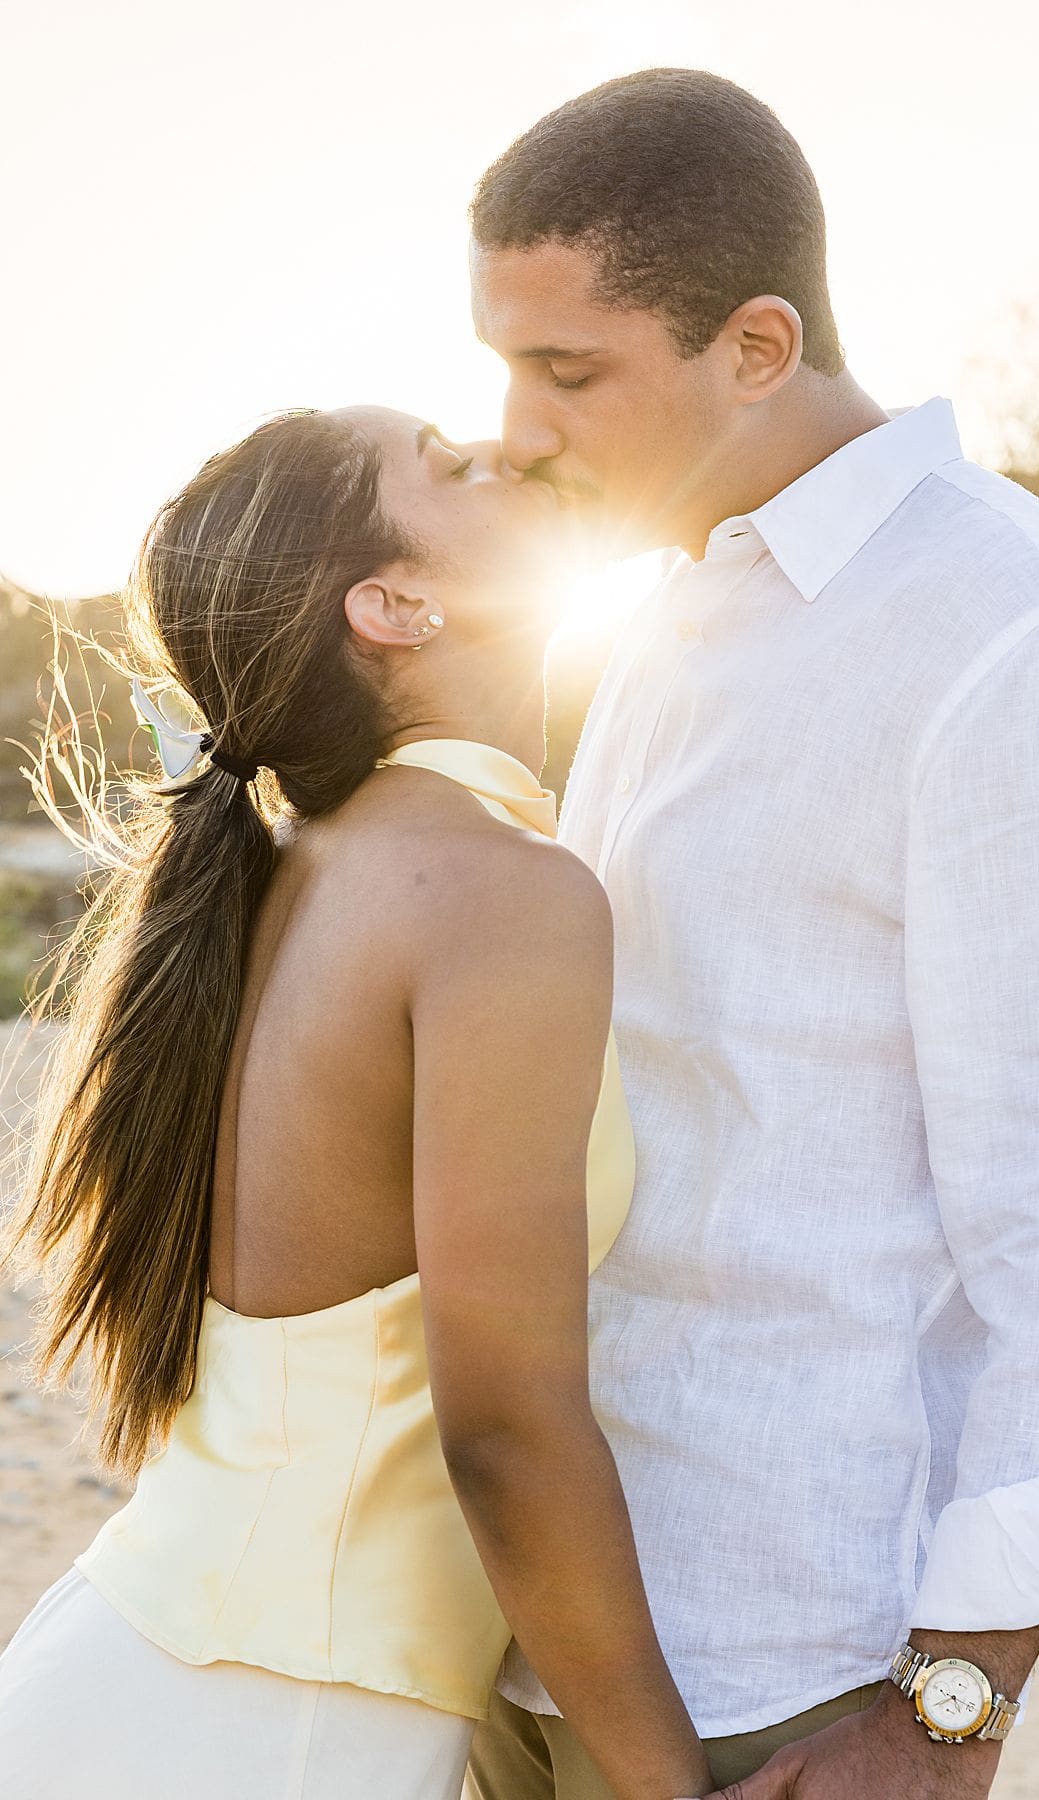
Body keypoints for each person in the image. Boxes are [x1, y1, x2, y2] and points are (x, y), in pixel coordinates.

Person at [464, 68, 1039, 1800]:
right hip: (546, 1623)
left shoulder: (1020, 639)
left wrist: (952, 1721)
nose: (513, 427)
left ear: (760, 345)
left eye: (568, 371)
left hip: (795, 1674)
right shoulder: (652, 620)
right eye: (502, 363)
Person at [0, 406, 715, 1800]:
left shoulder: (321, 866)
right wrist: (669, 1787)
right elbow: (503, 1423)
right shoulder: (495, 892)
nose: (503, 451)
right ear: (395, 605)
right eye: (450, 466)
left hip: (168, 1675)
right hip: (269, 1732)